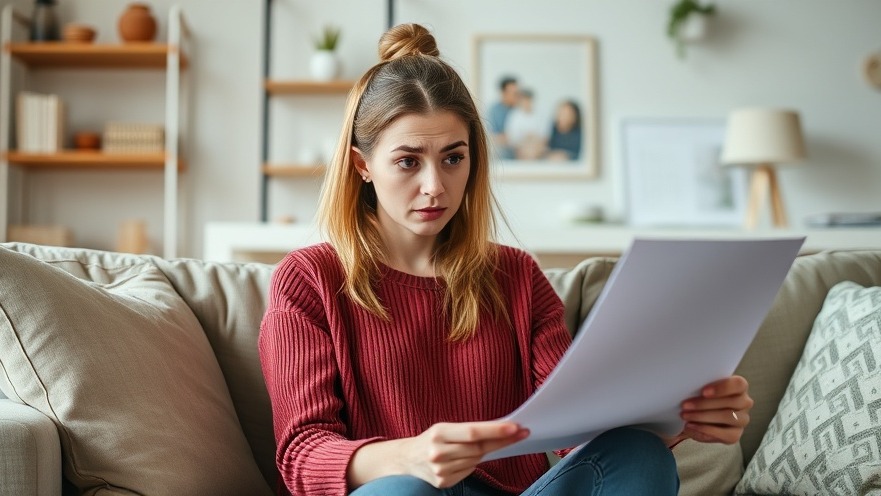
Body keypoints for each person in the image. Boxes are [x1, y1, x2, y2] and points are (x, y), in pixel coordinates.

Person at [259, 23, 754, 496]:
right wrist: (409, 457)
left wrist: (681, 420)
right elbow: (303, 455)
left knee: (639, 453)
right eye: (408, 161)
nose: (435, 185)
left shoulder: (517, 276)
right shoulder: (308, 280)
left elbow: (575, 435)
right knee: (401, 492)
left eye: (454, 158)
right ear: (362, 165)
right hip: (397, 492)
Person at [504, 88, 548, 160]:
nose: (526, 103)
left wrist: (533, 140)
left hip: (536, 146)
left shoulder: (540, 115)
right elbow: (511, 137)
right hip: (519, 147)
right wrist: (525, 139)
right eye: (524, 100)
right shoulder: (514, 115)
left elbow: (544, 137)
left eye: (528, 100)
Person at [486, 75, 519, 160]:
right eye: (514, 94)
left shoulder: (520, 110)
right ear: (504, 93)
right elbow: (491, 136)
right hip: (504, 148)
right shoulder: (494, 111)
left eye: (517, 93)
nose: (517, 96)